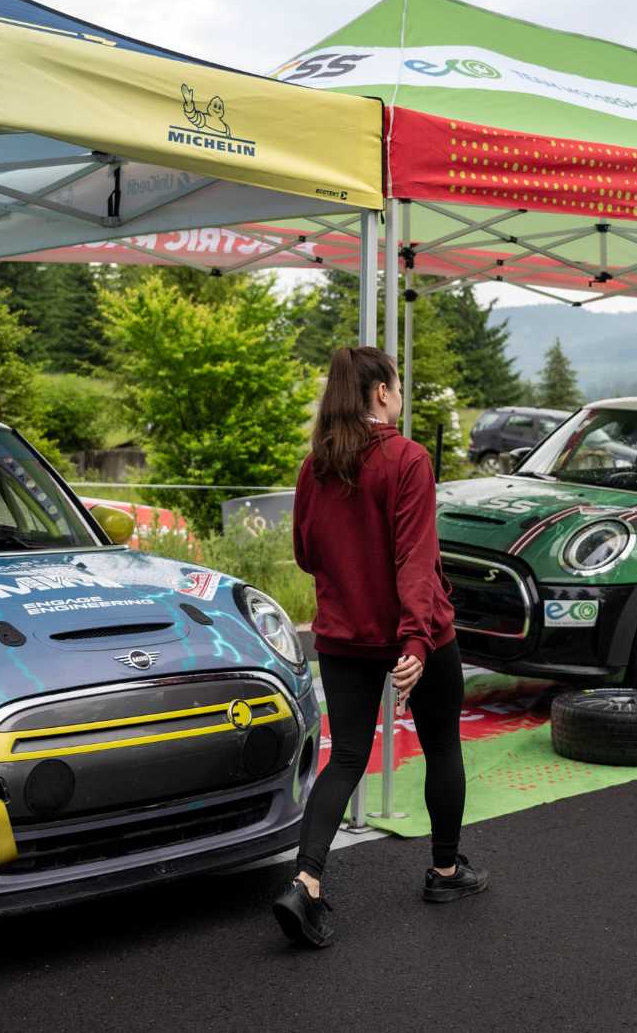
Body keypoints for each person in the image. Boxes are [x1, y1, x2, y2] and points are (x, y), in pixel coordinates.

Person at [272, 346, 485, 950]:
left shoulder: (316, 465)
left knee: (345, 758)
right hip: (416, 635)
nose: (400, 393)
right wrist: (416, 638)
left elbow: (305, 555)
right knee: (442, 744)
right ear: (382, 393)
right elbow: (415, 556)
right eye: (397, 384)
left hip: (343, 635)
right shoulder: (407, 458)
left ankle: (306, 882)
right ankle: (446, 871)